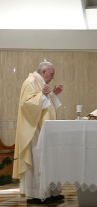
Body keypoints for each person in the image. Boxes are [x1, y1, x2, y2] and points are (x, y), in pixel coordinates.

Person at [13, 60, 64, 204]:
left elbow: (44, 101)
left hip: (44, 128)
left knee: (48, 160)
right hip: (33, 129)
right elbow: (27, 104)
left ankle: (51, 192)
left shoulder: (40, 82)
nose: (53, 77)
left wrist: (53, 93)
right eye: (52, 74)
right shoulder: (30, 81)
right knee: (37, 160)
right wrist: (42, 95)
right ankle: (36, 194)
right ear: (43, 72)